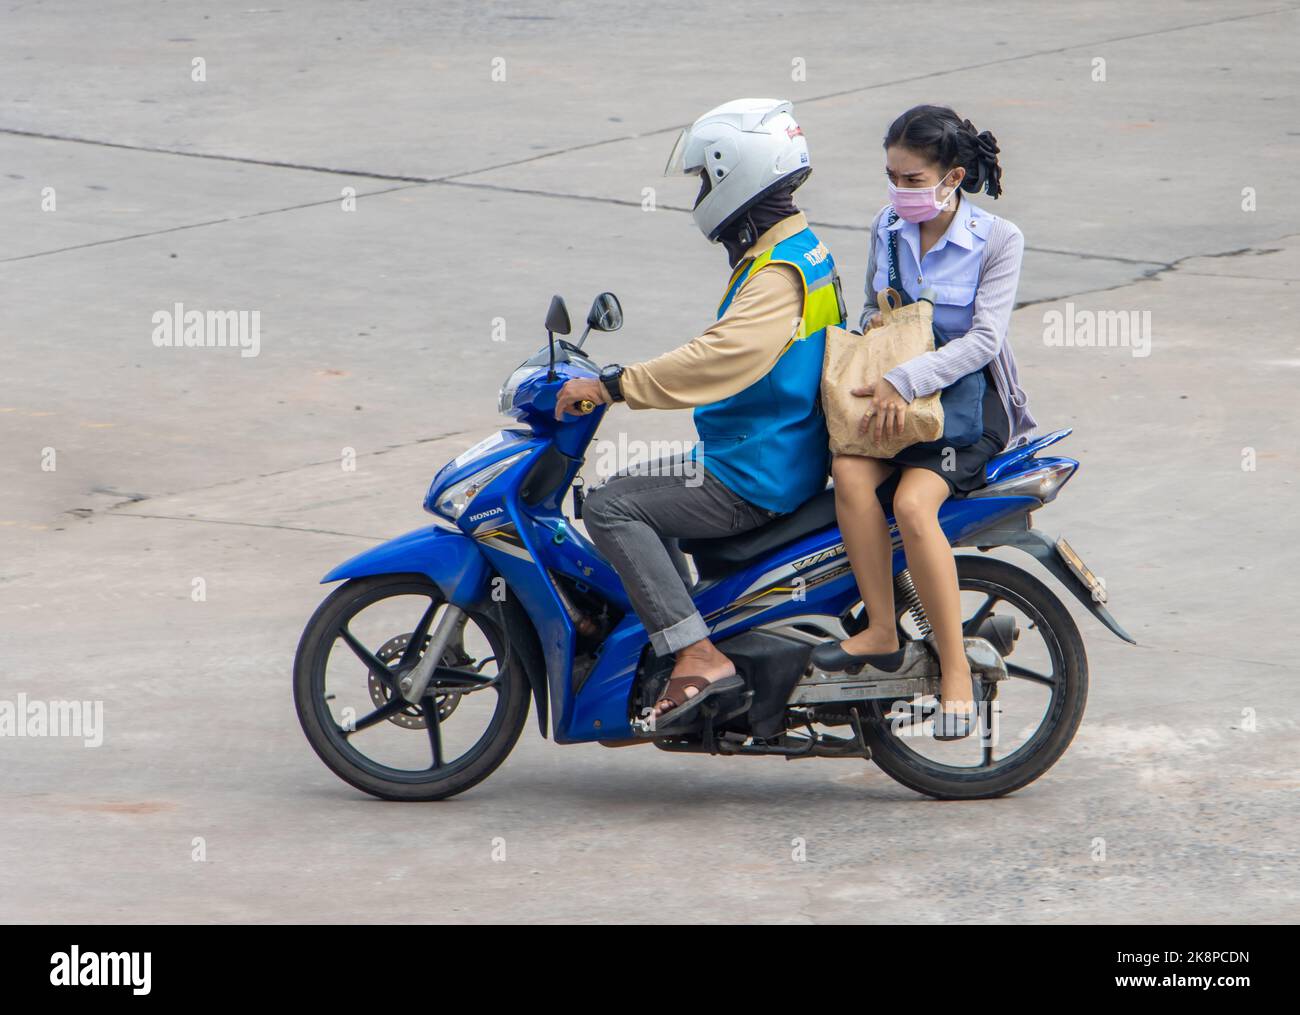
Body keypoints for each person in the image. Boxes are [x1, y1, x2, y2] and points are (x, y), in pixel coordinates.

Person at [554, 98, 845, 728]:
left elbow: (719, 358)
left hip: (752, 472)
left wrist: (615, 385)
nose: (704, 193)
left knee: (610, 505)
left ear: (737, 172)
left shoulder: (777, 275)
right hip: (767, 450)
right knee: (631, 491)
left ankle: (696, 653)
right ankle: (683, 629)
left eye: (707, 179)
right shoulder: (799, 249)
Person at [811, 104, 1035, 740]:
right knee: (849, 473)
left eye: (912, 179)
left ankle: (956, 671)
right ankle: (882, 630)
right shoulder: (886, 227)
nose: (899, 190)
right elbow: (871, 310)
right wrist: (868, 370)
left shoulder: (997, 240)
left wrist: (903, 380)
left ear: (953, 177)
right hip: (891, 397)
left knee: (913, 505)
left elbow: (986, 340)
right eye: (892, 176)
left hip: (966, 405)